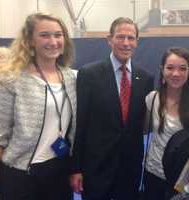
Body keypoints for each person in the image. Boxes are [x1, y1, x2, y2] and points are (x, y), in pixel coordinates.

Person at [0, 12, 76, 200]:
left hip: (58, 172)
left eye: (58, 35)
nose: (53, 41)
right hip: (20, 175)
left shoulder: (70, 77)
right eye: (44, 35)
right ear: (29, 41)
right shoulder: (9, 79)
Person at [70, 17, 154, 200]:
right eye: (120, 37)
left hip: (130, 168)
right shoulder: (89, 74)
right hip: (96, 167)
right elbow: (80, 123)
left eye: (131, 38)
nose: (126, 43)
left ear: (137, 42)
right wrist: (76, 168)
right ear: (110, 39)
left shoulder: (146, 78)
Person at [144, 47, 189, 200]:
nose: (176, 73)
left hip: (182, 180)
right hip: (153, 173)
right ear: (162, 70)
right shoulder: (152, 99)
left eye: (182, 68)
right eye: (170, 68)